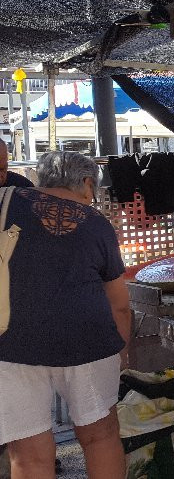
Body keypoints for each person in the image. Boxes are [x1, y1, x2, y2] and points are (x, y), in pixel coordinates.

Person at [0, 151, 130, 479]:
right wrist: (121, 352)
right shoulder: (97, 224)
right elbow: (119, 303)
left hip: (12, 343)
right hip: (89, 341)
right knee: (100, 436)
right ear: (87, 184)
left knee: (29, 457)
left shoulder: (6, 201)